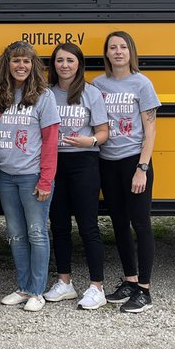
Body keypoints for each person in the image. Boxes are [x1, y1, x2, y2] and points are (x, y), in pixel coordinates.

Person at [93, 30, 161, 314]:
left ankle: (144, 289)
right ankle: (129, 280)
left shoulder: (142, 84)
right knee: (118, 224)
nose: (118, 51)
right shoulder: (98, 85)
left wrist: (142, 168)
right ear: (107, 53)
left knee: (140, 224)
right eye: (113, 47)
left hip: (134, 161)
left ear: (131, 52)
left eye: (123, 47)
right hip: (107, 162)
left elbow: (151, 130)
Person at [0, 42, 60, 313]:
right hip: (6, 175)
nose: (21, 66)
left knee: (37, 233)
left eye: (27, 61)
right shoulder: (1, 95)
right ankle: (22, 286)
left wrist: (46, 180)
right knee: (15, 234)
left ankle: (37, 291)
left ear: (34, 66)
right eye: (16, 60)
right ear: (7, 64)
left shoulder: (44, 96)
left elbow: (50, 141)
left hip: (33, 176)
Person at [45, 42, 109, 311]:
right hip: (54, 162)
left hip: (84, 163)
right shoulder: (46, 93)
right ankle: (65, 282)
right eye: (60, 60)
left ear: (79, 64)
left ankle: (97, 287)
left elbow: (104, 132)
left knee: (88, 225)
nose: (65, 65)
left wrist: (90, 140)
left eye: (70, 60)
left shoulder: (91, 93)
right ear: (54, 64)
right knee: (58, 225)